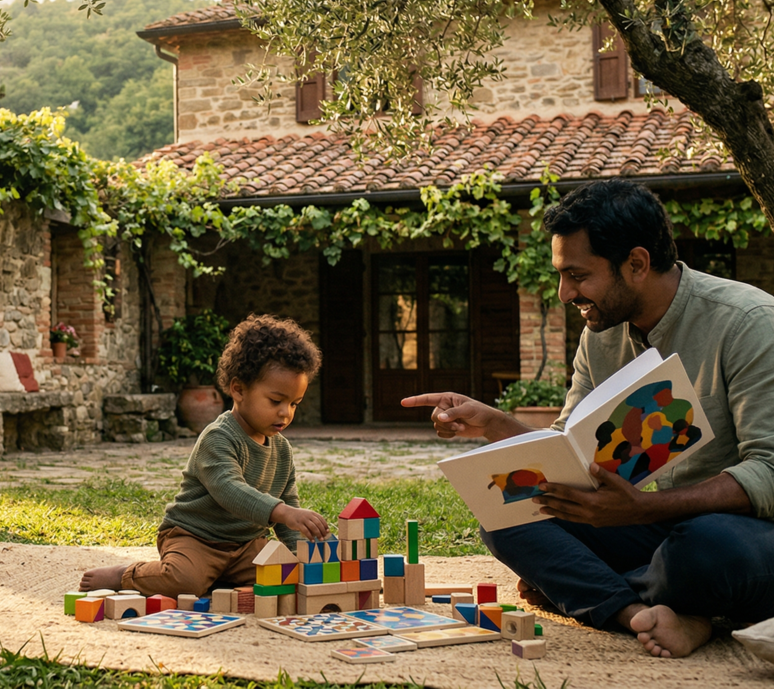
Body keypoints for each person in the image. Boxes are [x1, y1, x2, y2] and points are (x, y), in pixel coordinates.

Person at [403, 179, 774, 658]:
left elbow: (769, 470)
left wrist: (641, 510)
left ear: (636, 264)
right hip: (664, 526)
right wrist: (495, 425)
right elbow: (568, 453)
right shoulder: (601, 334)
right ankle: (636, 612)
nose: (564, 293)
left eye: (577, 275)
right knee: (506, 513)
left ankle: (592, 591)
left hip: (742, 535)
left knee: (706, 547)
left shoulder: (749, 323)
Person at [80, 314, 330, 596]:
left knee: (288, 575)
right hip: (196, 538)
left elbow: (289, 504)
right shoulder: (218, 437)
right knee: (184, 582)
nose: (285, 412)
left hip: (246, 545)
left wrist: (305, 557)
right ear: (238, 390)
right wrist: (282, 512)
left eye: (294, 403)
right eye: (275, 401)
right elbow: (229, 489)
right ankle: (127, 575)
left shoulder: (282, 450)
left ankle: (216, 578)